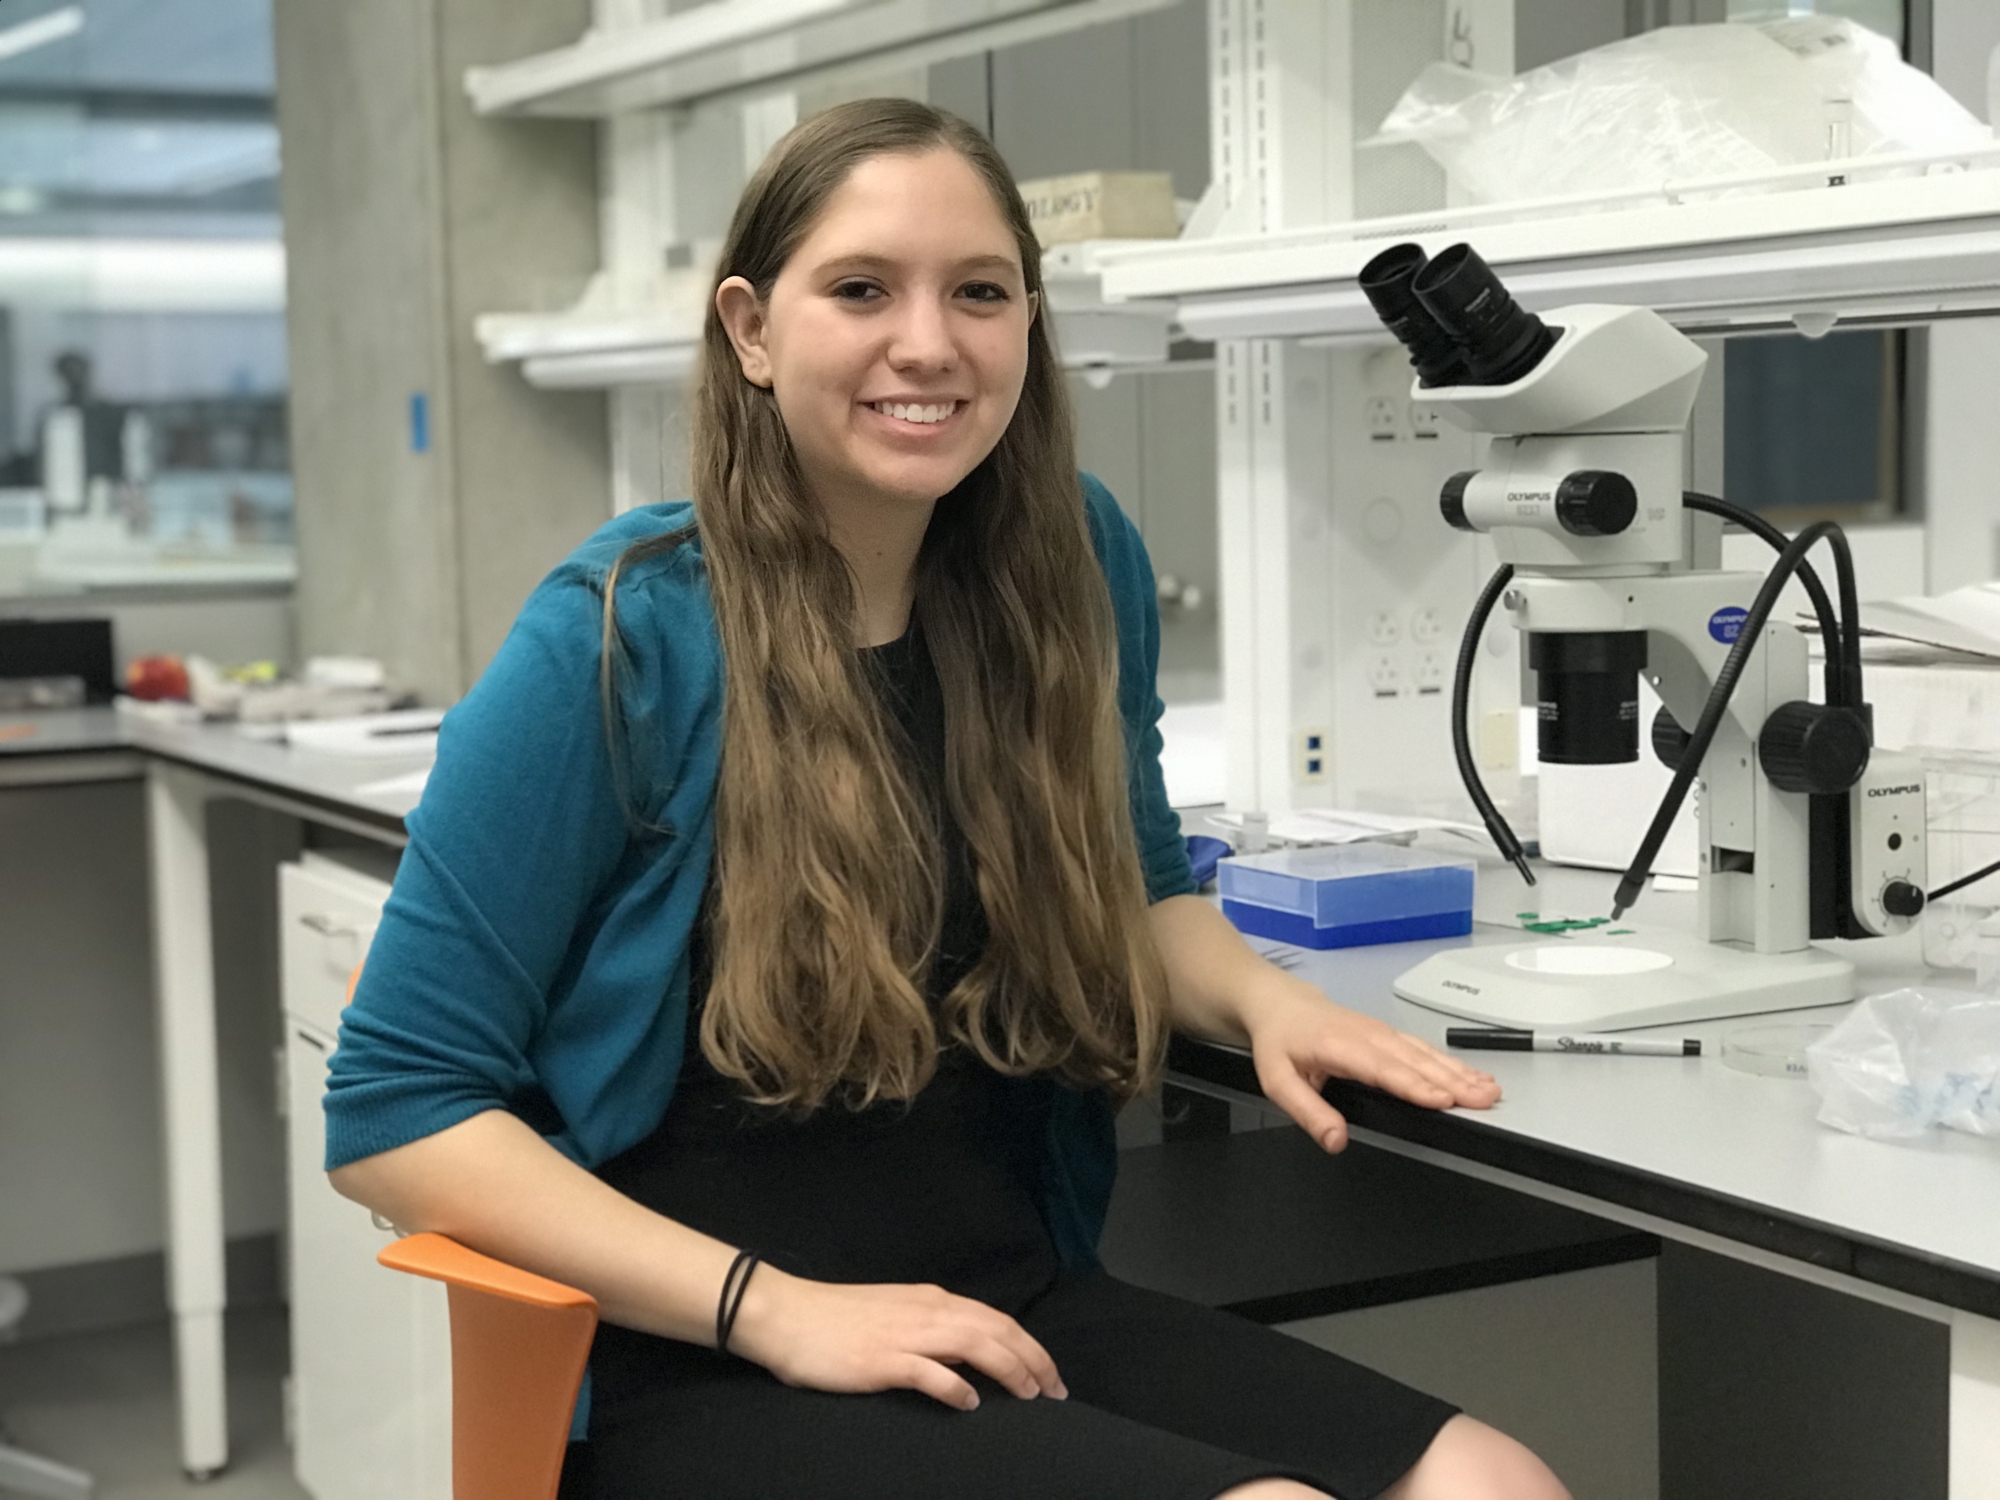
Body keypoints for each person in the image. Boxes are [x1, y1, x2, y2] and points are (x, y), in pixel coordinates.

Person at [326, 98, 1570, 1500]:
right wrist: (779, 1310)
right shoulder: (619, 640)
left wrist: (1270, 1003)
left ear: (1028, 325)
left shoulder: (1071, 562)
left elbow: (1143, 882)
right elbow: (395, 1112)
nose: (928, 343)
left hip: (1009, 1306)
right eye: (861, 289)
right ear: (750, 328)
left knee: (1496, 1485)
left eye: (980, 293)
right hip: (701, 1365)